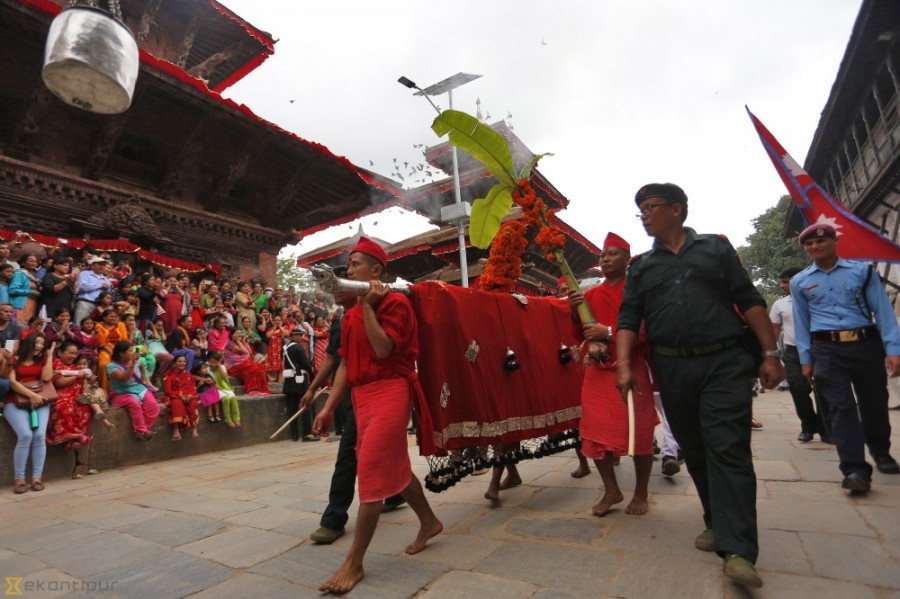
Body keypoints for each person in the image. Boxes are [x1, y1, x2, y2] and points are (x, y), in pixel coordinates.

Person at [615, 183, 783, 589]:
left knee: (728, 447)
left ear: (677, 210)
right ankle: (715, 521)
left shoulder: (715, 249)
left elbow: (749, 298)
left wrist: (770, 353)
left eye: (651, 207)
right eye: (640, 210)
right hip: (673, 368)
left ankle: (739, 549)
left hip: (724, 361)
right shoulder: (641, 267)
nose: (644, 215)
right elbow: (628, 317)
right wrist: (623, 364)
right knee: (697, 448)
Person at [312, 237, 441, 594]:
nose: (348, 271)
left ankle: (355, 562)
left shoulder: (395, 302)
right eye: (348, 265)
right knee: (391, 468)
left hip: (390, 391)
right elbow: (345, 366)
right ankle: (429, 521)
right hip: (362, 397)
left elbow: (384, 350)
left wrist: (369, 307)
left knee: (370, 470)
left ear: (376, 271)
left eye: (354, 265)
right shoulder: (349, 313)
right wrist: (327, 408)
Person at [791, 223, 900, 493]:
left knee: (874, 402)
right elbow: (801, 323)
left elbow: (883, 311)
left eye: (820, 241)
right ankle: (854, 469)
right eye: (809, 245)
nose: (815, 247)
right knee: (841, 408)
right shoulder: (800, 281)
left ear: (834, 241)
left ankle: (880, 451)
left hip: (866, 345)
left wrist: (894, 350)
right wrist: (805, 359)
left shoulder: (862, 272)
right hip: (827, 350)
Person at [569, 232, 656, 516]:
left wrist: (607, 332)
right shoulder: (589, 295)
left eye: (612, 254)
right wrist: (575, 314)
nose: (605, 260)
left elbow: (648, 330)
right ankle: (612, 490)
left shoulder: (640, 289)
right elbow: (578, 332)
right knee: (593, 434)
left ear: (627, 258)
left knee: (639, 432)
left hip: (632, 366)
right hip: (598, 372)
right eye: (602, 256)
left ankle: (641, 493)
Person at [769, 266, 832, 443]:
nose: (782, 285)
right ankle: (808, 426)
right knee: (798, 388)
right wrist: (771, 355)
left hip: (819, 350)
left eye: (786, 281)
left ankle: (827, 428)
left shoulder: (816, 300)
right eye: (781, 282)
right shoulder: (779, 305)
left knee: (824, 390)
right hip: (792, 352)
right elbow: (774, 330)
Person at [3, 335, 55, 493]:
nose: (39, 345)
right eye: (36, 342)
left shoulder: (42, 360)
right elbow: (11, 382)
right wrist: (31, 395)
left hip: (40, 401)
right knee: (25, 435)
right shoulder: (14, 359)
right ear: (29, 343)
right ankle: (19, 479)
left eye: (42, 343)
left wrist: (50, 355)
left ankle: (36, 478)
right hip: (15, 401)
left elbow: (46, 377)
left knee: (39, 436)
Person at [107, 341, 160, 440]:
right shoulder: (111, 366)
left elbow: (142, 369)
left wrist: (146, 381)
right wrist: (132, 364)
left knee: (153, 405)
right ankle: (142, 431)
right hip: (122, 393)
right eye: (130, 351)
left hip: (140, 389)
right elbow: (124, 378)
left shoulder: (137, 361)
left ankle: (143, 430)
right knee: (134, 404)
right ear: (121, 353)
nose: (132, 353)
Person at [283, 327, 315, 441]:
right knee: (305, 406)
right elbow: (306, 364)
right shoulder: (298, 347)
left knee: (292, 409)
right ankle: (307, 434)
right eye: (299, 335)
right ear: (294, 336)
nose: (301, 337)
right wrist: (311, 371)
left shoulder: (285, 347)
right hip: (300, 381)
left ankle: (294, 434)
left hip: (288, 381)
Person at [163, 354, 199, 441]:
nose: (182, 363)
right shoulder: (169, 376)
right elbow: (168, 390)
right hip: (175, 396)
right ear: (174, 364)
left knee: (193, 404)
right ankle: (175, 430)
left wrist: (190, 396)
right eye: (179, 361)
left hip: (188, 396)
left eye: (184, 361)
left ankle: (194, 427)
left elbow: (193, 388)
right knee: (176, 403)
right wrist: (180, 396)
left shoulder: (188, 375)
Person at [224, 329, 269, 395]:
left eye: (240, 333)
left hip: (244, 364)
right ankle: (251, 389)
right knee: (254, 368)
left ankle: (259, 389)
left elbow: (250, 352)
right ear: (232, 335)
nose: (239, 335)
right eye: (237, 333)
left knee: (259, 367)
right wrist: (237, 341)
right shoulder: (229, 344)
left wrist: (243, 341)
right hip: (234, 367)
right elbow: (243, 352)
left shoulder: (241, 342)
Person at [95, 309, 128, 392]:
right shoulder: (99, 326)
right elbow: (102, 342)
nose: (114, 318)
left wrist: (120, 353)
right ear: (104, 318)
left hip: (120, 349)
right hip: (106, 349)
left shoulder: (121, 324)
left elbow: (124, 340)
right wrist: (112, 353)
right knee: (104, 365)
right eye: (111, 317)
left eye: (115, 317)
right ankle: (105, 391)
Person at [74, 256, 111, 326]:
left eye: (103, 265)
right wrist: (100, 285)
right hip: (85, 304)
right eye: (99, 264)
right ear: (92, 265)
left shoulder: (106, 280)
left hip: (99, 306)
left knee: (96, 327)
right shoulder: (84, 274)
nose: (102, 266)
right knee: (79, 325)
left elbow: (108, 295)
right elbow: (82, 287)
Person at [208, 352, 240, 428]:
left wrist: (219, 366)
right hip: (215, 389)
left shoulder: (222, 367)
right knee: (225, 399)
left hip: (225, 387)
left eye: (216, 362)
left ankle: (236, 419)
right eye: (212, 362)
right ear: (208, 361)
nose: (214, 364)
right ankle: (228, 420)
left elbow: (223, 377)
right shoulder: (207, 369)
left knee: (233, 399)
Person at [9, 254, 41, 323]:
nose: (34, 263)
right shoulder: (19, 273)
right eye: (31, 261)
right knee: (19, 326)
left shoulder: (35, 276)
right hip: (20, 305)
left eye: (35, 262)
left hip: (32, 304)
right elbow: (12, 290)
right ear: (23, 263)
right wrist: (31, 292)